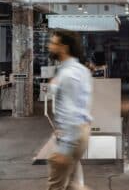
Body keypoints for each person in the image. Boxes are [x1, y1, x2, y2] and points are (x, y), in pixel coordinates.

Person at [47, 29, 92, 190]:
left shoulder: (67, 74)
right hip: (80, 131)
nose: (49, 46)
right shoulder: (82, 70)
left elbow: (71, 110)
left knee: (56, 185)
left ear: (63, 48)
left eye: (53, 43)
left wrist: (64, 147)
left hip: (72, 134)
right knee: (73, 184)